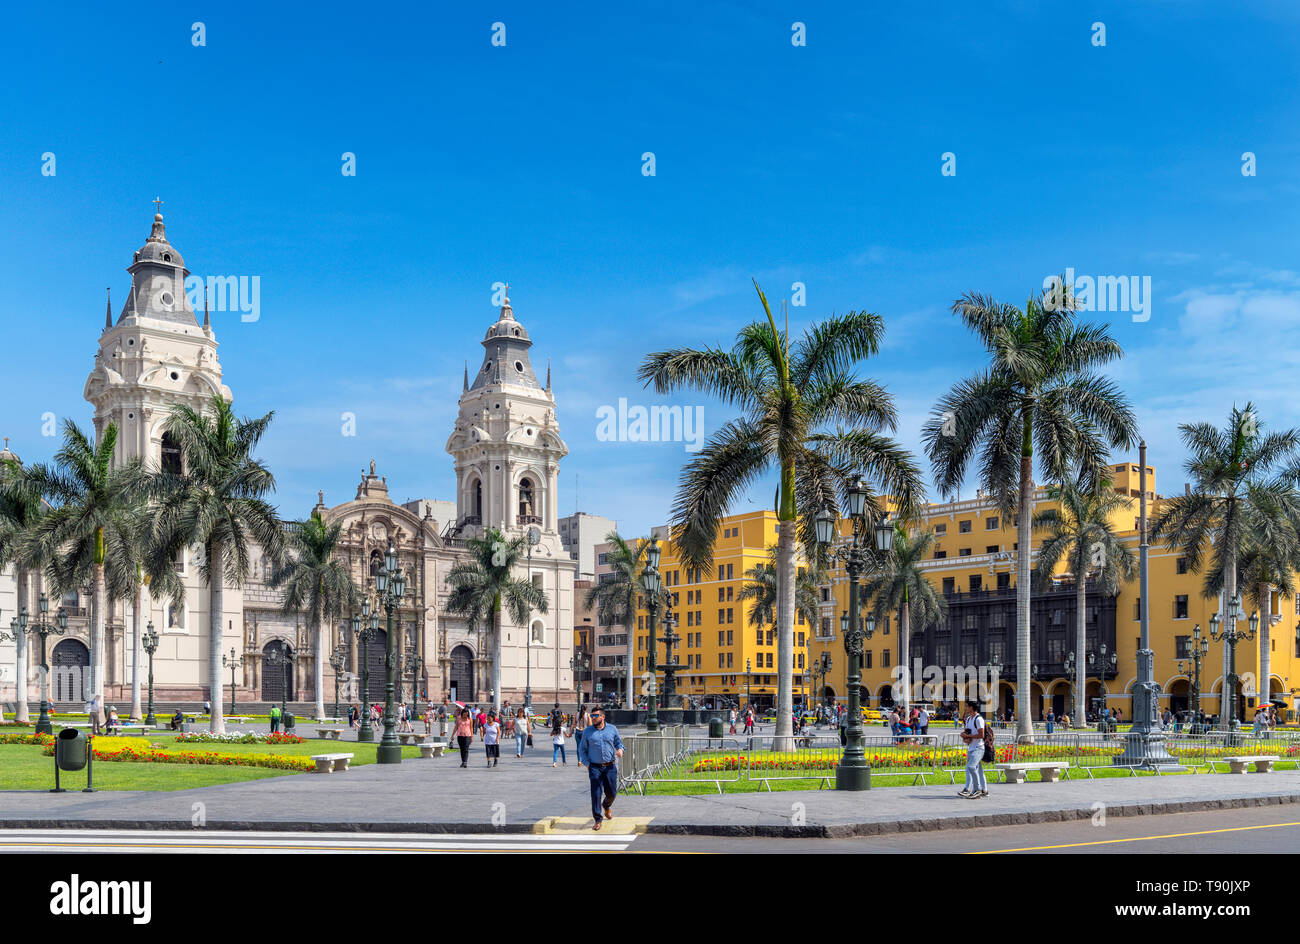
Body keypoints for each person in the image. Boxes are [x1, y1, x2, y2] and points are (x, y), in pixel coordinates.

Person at [577, 706, 624, 831]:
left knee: (612, 793)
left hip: (610, 766)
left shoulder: (612, 729)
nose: (593, 718)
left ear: (603, 717)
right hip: (594, 767)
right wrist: (587, 763)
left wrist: (620, 749)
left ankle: (606, 805)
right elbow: (582, 749)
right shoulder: (587, 732)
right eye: (592, 716)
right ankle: (598, 819)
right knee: (596, 793)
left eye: (596, 716)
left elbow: (618, 743)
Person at [959, 701, 988, 799]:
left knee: (971, 767)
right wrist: (965, 737)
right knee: (977, 769)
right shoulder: (968, 719)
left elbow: (981, 735)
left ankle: (977, 789)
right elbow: (968, 733)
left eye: (967, 706)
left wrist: (968, 735)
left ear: (972, 708)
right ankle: (984, 790)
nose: (965, 708)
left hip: (978, 748)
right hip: (971, 748)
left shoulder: (978, 719)